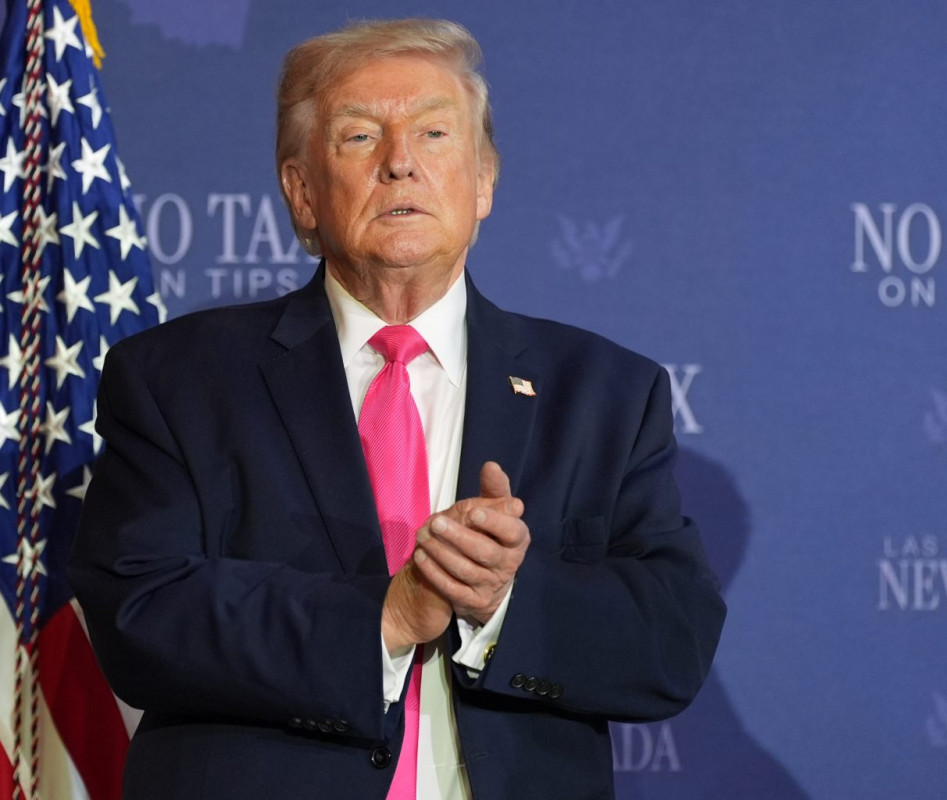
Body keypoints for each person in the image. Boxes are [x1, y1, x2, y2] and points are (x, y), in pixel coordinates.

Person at [69, 18, 725, 800]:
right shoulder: (178, 378)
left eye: (434, 133)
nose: (400, 162)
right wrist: (386, 616)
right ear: (302, 193)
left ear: (483, 182)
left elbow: (672, 641)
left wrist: (502, 601)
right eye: (358, 137)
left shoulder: (605, 393)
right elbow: (141, 613)